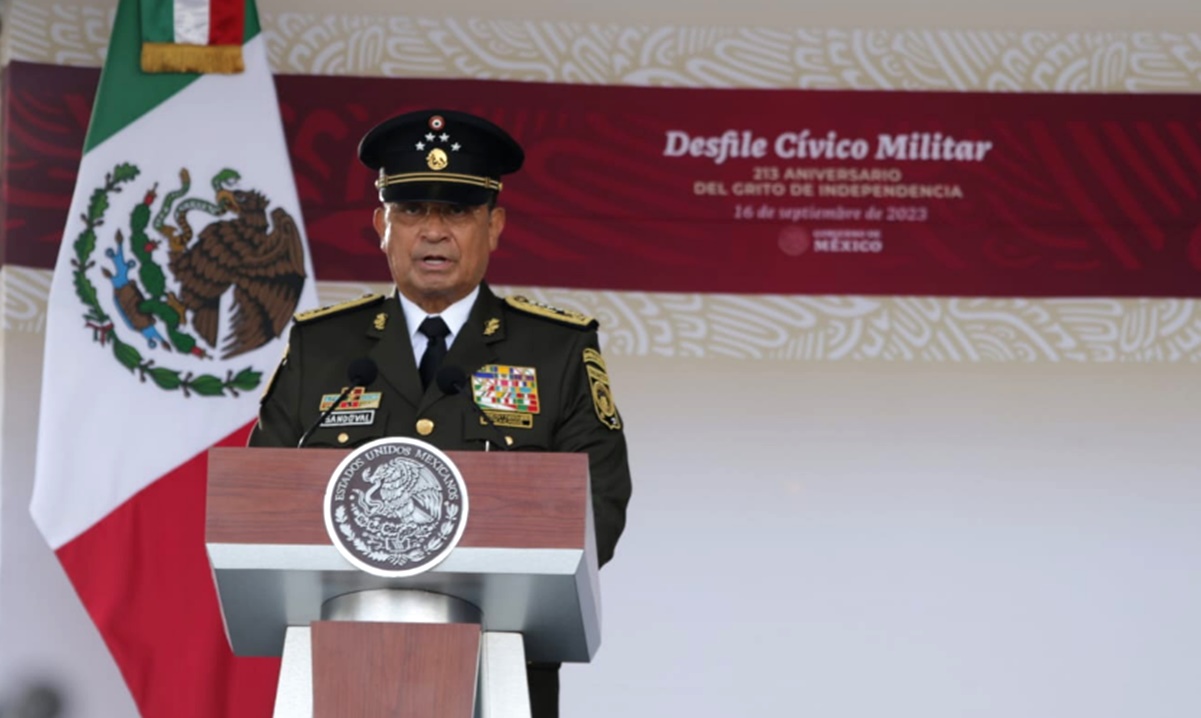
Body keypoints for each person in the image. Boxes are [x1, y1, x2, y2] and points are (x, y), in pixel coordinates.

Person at [248, 108, 633, 716]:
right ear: (381, 224)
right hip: (342, 667)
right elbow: (263, 502)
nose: (432, 232)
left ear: (495, 224)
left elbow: (600, 505)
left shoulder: (555, 350)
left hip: (504, 668)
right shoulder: (323, 349)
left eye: (456, 212)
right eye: (410, 212)